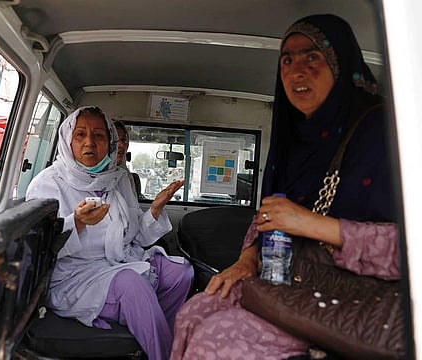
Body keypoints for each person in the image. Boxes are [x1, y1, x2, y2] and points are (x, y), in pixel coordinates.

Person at [170, 14, 400, 360]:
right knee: (193, 312)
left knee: (215, 341)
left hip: (354, 297)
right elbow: (271, 215)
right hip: (291, 281)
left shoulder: (387, 134)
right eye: (287, 60)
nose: (296, 71)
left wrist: (309, 223)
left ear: (341, 64)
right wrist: (247, 258)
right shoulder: (292, 144)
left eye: (313, 57)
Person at [26, 106, 193, 360]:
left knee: (182, 272)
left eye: (99, 136)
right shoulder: (48, 183)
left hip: (120, 259)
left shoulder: (118, 179)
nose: (89, 142)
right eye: (80, 135)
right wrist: (77, 223)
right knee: (132, 285)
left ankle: (156, 335)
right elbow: (40, 248)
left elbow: (135, 235)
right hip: (75, 275)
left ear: (110, 142)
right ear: (68, 140)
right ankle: (163, 353)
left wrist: (156, 209)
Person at [113, 120, 143, 199]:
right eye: (115, 140)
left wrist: (155, 209)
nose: (121, 145)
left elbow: (133, 210)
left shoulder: (125, 176)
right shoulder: (92, 177)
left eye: (124, 140)